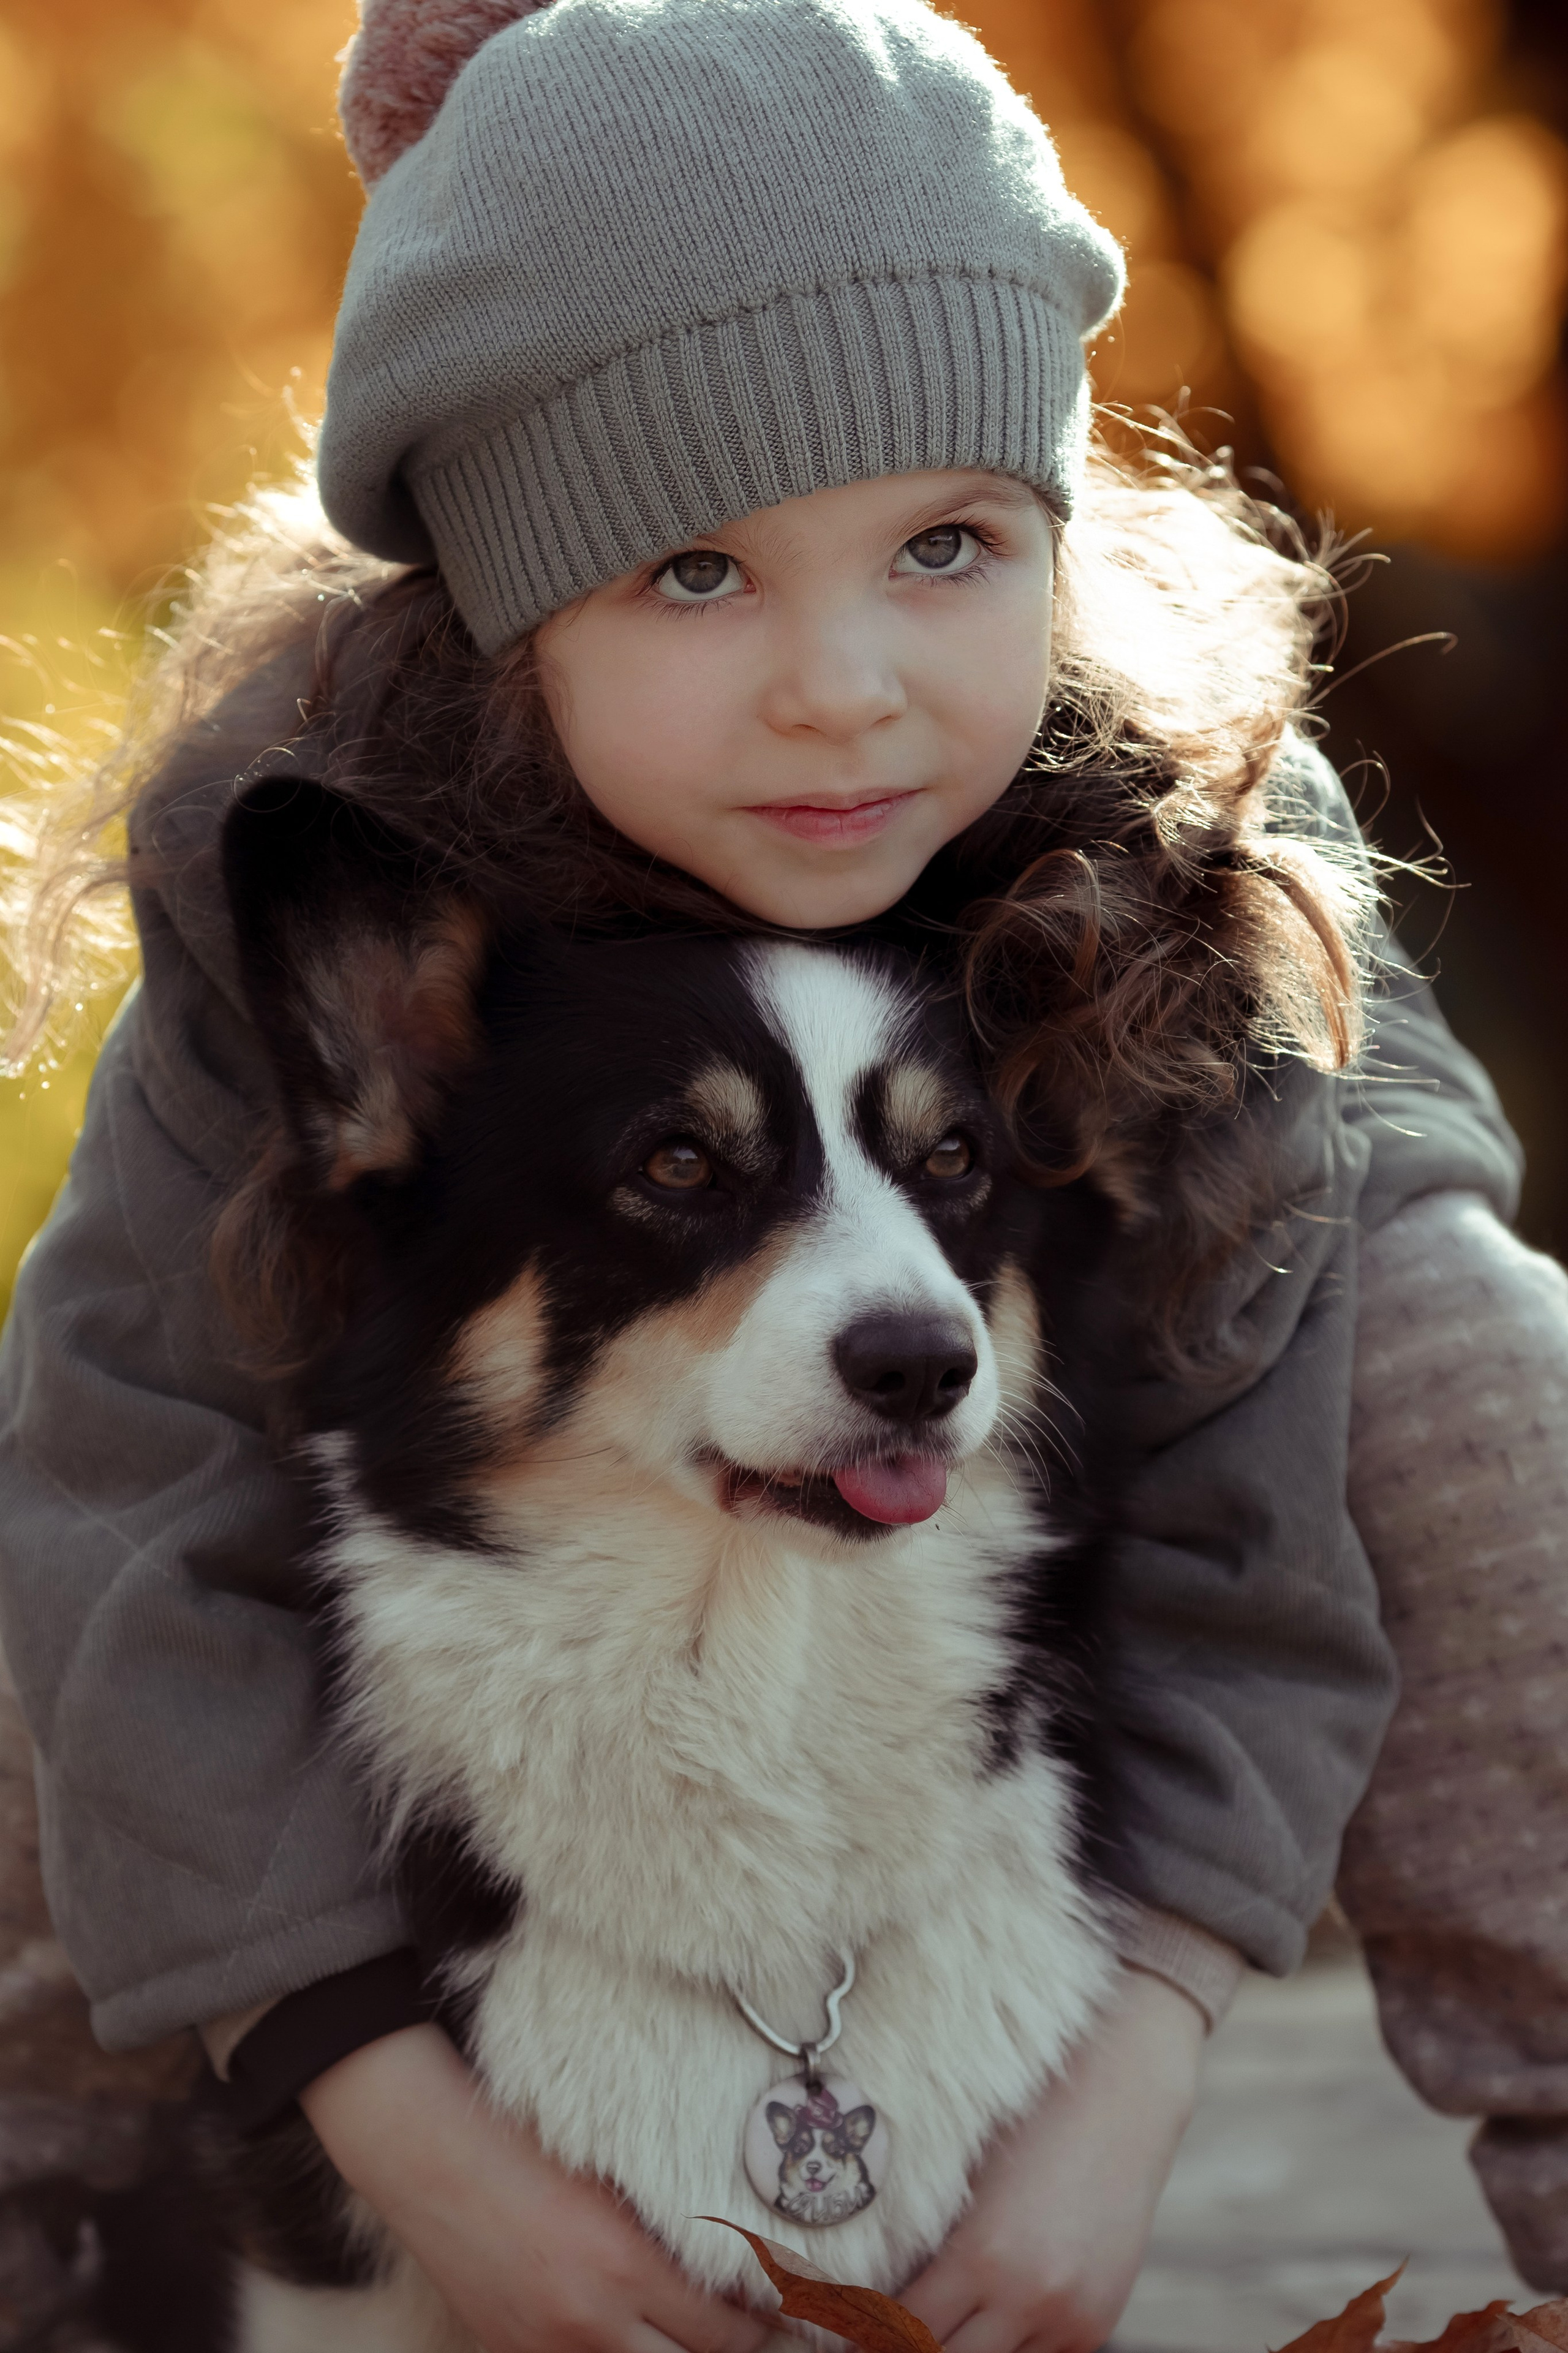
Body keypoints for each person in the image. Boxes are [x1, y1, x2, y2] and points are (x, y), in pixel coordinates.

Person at [0, 0, 1545, 2345]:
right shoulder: (308, 882)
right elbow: (120, 1512)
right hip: (511, 1645)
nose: (846, 683)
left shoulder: (1199, 873)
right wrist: (403, 2130)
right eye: (697, 574)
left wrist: (1128, 2073)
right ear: (505, 607)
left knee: (1465, 1377)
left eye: (945, 544)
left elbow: (1267, 1548)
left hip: (1002, 1646)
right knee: (68, 1554)